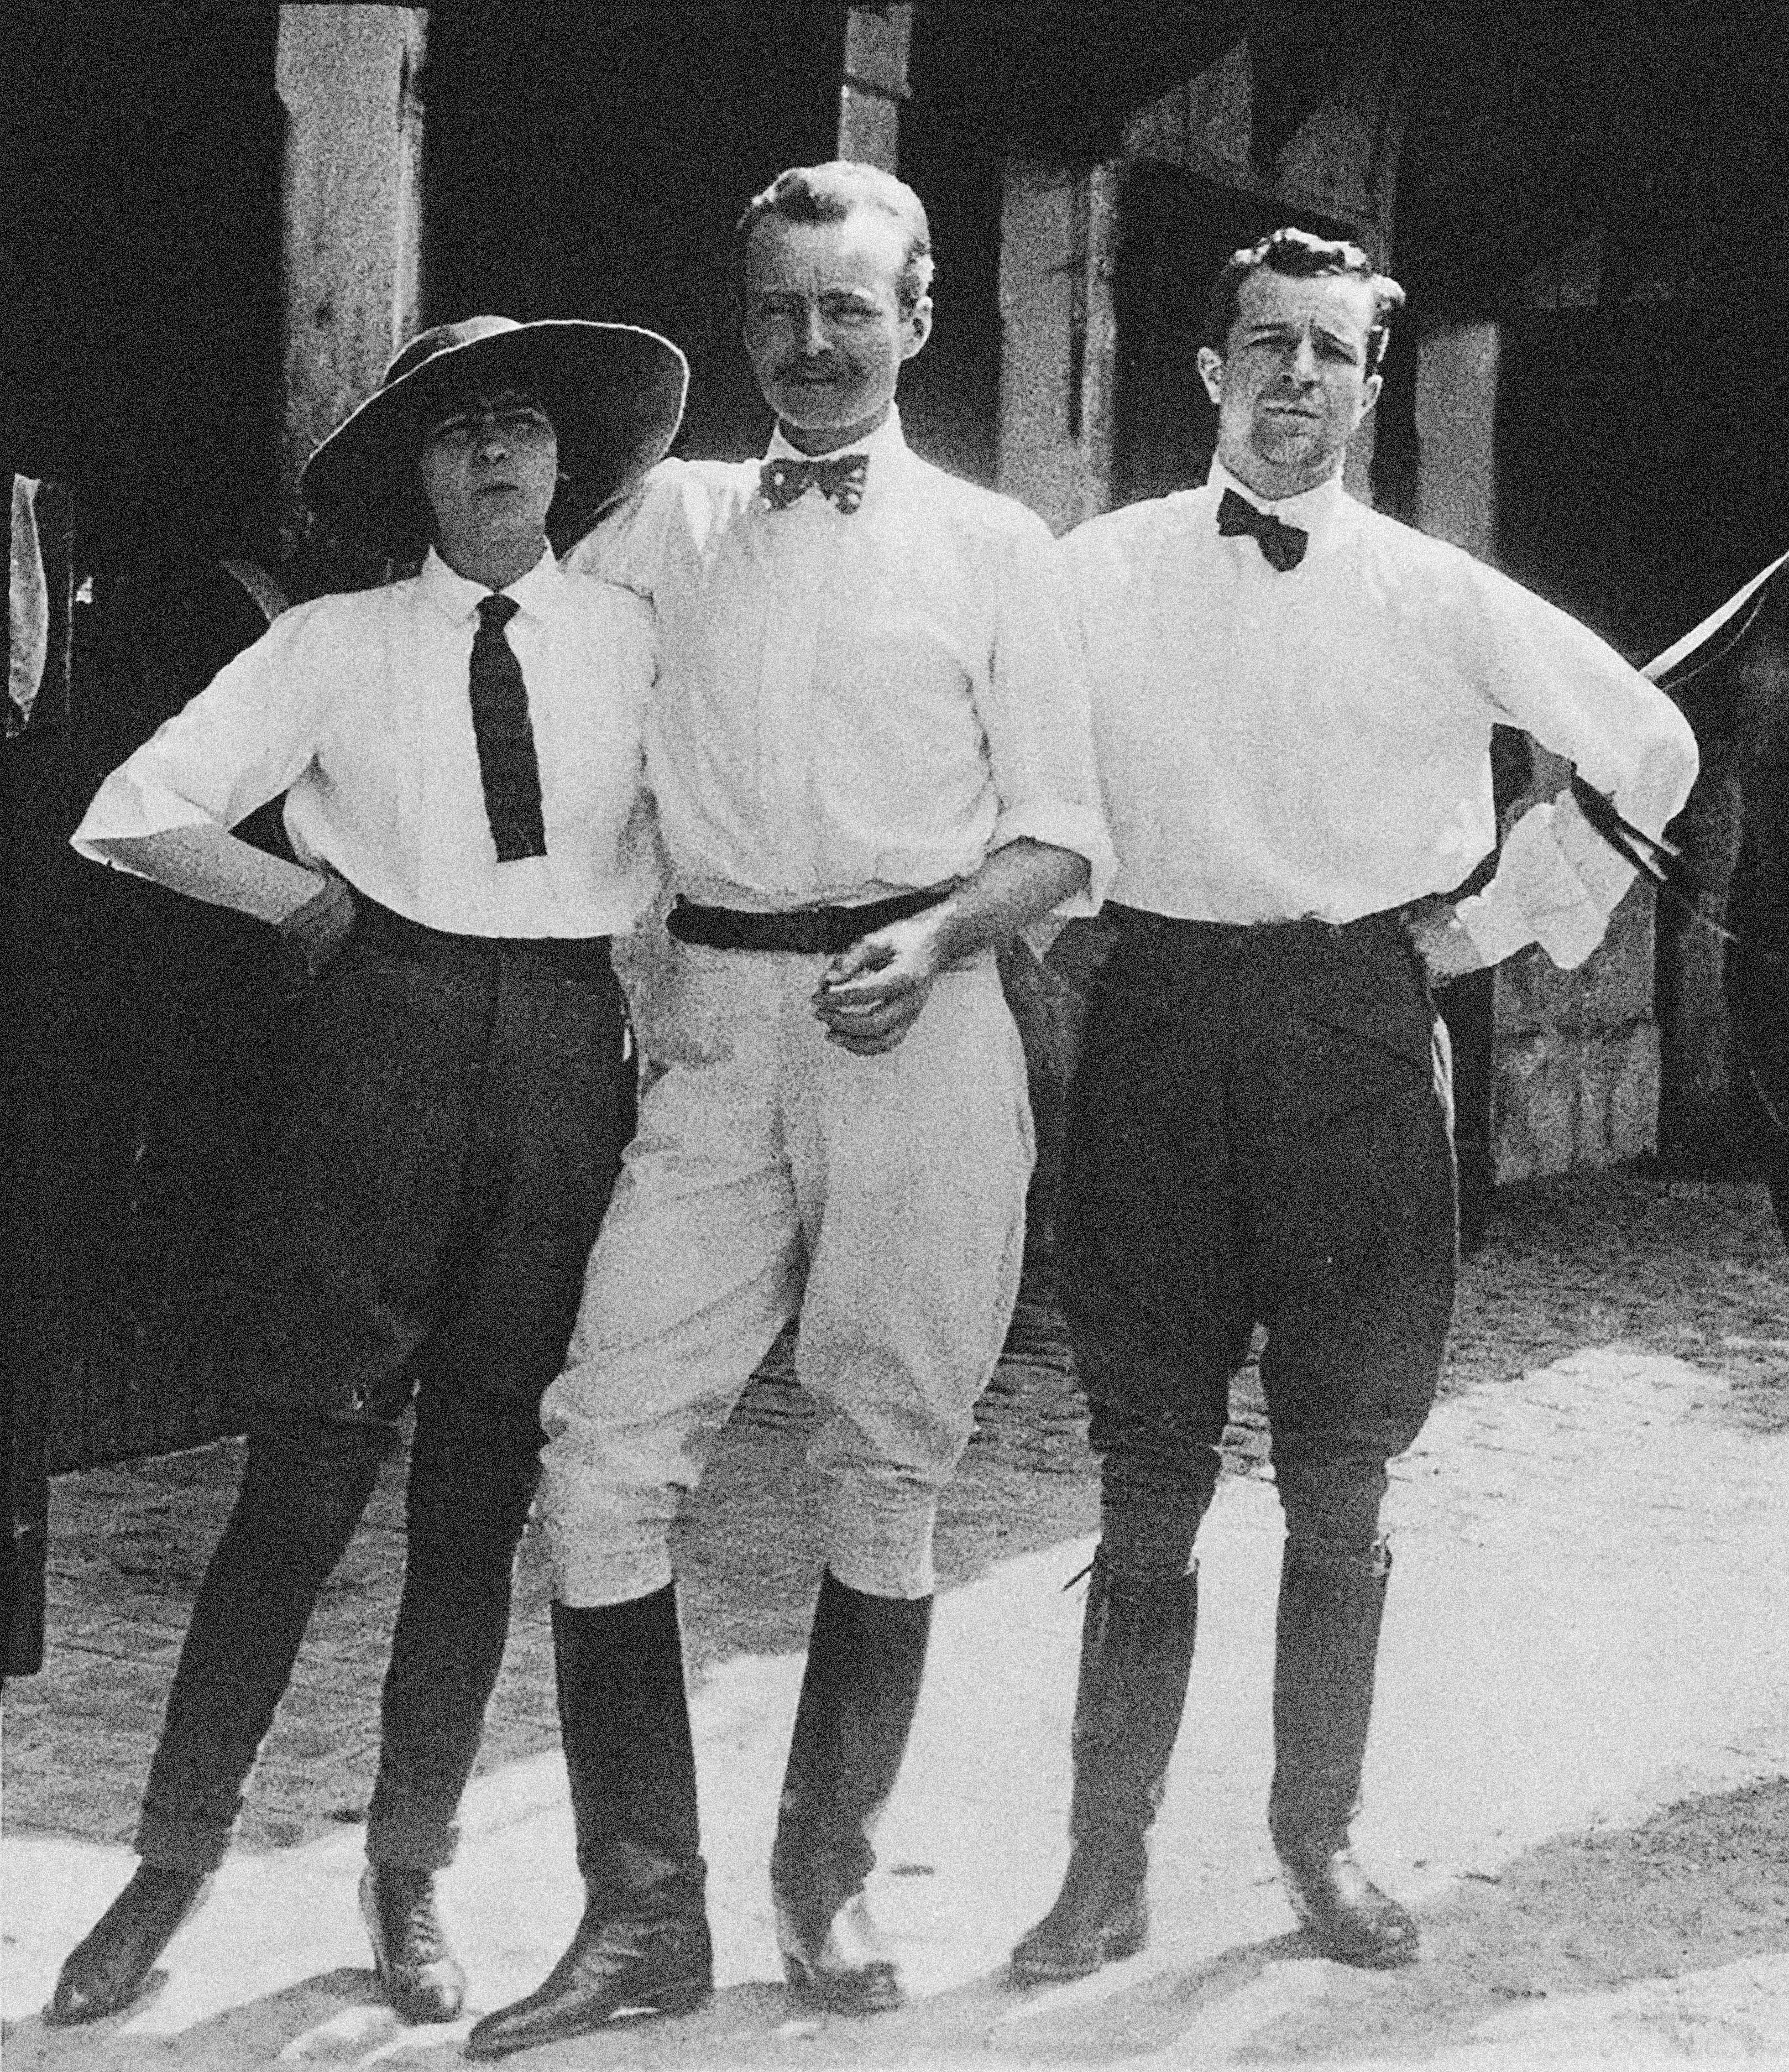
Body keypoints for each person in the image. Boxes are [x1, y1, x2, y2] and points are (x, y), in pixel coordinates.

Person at [465, 161, 1110, 2059]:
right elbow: (523, 668)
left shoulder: (998, 546)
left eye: (848, 308)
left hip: (925, 1020)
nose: (812, 345)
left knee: (885, 1450)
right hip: (714, 1029)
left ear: (919, 318)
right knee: (603, 1447)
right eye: (778, 310)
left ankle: (824, 1872)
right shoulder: (662, 522)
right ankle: (639, 1913)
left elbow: (1064, 834)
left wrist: (939, 936)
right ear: (741, 323)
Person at [1011, 229, 1698, 1981]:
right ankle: (1102, 1865)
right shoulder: (1088, 573)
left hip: (1358, 1040)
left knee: (1341, 1473)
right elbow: (988, 762)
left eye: (1330, 350)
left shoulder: (1434, 593)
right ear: (1209, 373)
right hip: (1157, 1028)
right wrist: (1061, 928)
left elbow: (1650, 744)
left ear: (1374, 386)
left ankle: (1316, 1842)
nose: (1297, 377)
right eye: (1267, 343)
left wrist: (1490, 925)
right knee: (1145, 1467)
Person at [45, 314, 686, 2027]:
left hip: (566, 1053)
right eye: (457, 431)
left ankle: (410, 1868)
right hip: (378, 1049)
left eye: (522, 424)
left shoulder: (638, 642)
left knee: (478, 1488)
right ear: (417, 471)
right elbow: (134, 805)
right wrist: (308, 905)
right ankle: (169, 1861)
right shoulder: (333, 642)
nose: (494, 456)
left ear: (565, 457)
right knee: (303, 1475)